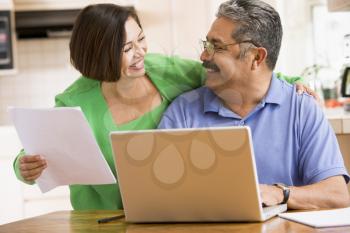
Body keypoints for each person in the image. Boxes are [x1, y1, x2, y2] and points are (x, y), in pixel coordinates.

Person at [13, 4, 313, 210]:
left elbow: (237, 75)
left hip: (157, 216)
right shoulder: (74, 101)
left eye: (141, 40)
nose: (140, 53)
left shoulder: (166, 70)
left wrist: (291, 80)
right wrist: (24, 166)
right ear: (99, 54)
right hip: (99, 220)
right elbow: (36, 151)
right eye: (127, 49)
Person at [158, 0, 350, 210]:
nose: (203, 56)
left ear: (256, 57)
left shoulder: (302, 109)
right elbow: (157, 193)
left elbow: (337, 195)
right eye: (206, 45)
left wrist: (279, 193)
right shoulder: (183, 112)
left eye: (217, 47)